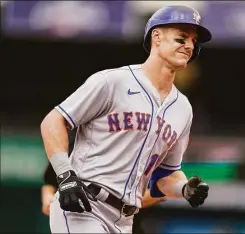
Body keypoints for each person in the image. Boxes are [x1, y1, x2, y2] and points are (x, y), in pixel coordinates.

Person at [40, 5, 211, 234]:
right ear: (156, 37)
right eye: (181, 37)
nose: (189, 45)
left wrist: (184, 188)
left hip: (124, 220)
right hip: (84, 206)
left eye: (193, 41)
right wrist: (66, 176)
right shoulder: (114, 82)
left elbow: (165, 175)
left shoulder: (182, 108)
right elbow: (53, 121)